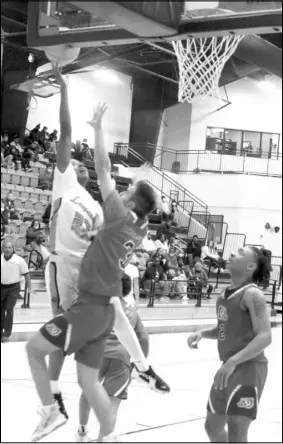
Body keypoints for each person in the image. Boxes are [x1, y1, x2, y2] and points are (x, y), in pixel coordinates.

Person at [26, 68, 169, 443]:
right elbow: (106, 230)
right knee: (108, 334)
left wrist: (91, 118)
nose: (118, 193)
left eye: (125, 192)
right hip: (100, 290)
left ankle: (53, 405)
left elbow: (95, 161)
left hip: (79, 286)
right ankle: (140, 372)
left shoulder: (102, 203)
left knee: (45, 342)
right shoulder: (125, 221)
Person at [187, 246, 272, 443]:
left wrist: (233, 362)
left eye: (241, 253)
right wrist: (202, 333)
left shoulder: (253, 295)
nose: (232, 254)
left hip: (249, 368)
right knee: (212, 427)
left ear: (251, 266)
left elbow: (265, 336)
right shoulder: (224, 295)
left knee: (236, 430)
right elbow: (224, 329)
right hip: (228, 367)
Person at [75, 273, 150, 442]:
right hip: (121, 358)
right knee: (113, 403)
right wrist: (140, 363)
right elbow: (144, 338)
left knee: (87, 393)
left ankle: (82, 431)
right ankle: (103, 438)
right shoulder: (132, 311)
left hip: (96, 354)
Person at [1, 241, 35, 341]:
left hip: (14, 287)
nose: (7, 249)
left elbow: (27, 275)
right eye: (5, 247)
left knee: (9, 308)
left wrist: (30, 288)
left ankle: (7, 333)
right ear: (3, 249)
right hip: (1, 287)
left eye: (9, 247)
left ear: (13, 249)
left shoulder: (19, 260)